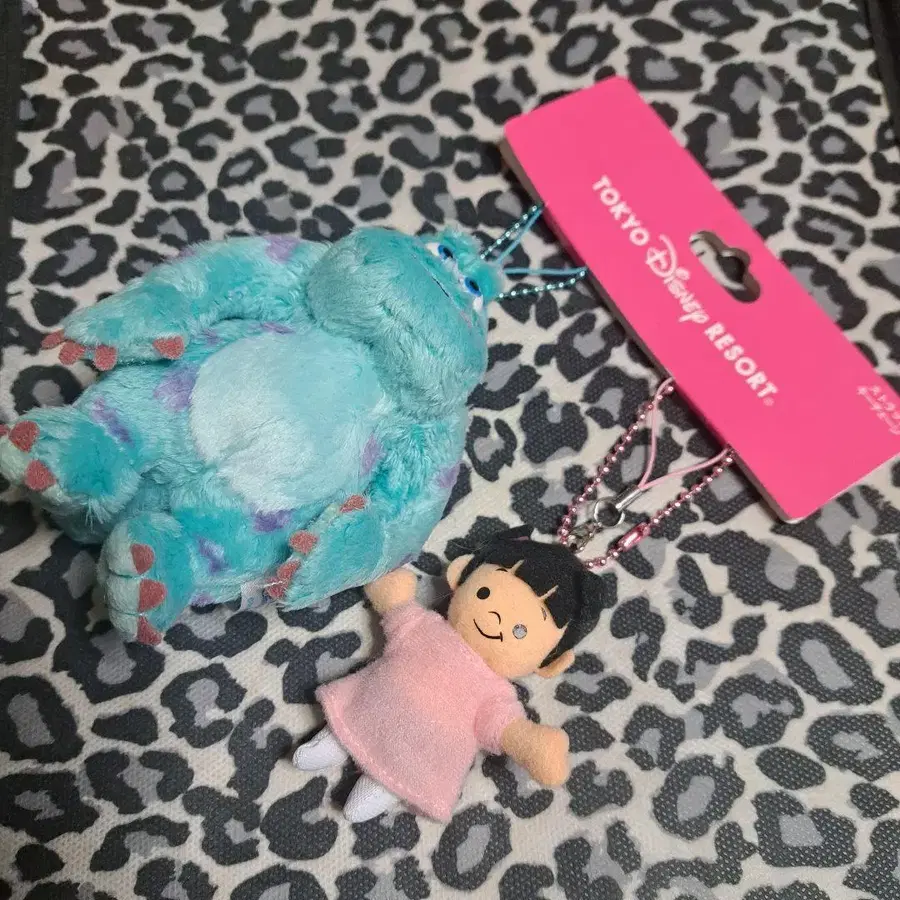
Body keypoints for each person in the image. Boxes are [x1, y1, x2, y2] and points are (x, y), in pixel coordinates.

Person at [292, 527, 605, 822]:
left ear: (551, 663)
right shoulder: (429, 629)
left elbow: (503, 726)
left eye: (520, 630)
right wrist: (394, 596)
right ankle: (335, 744)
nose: (496, 618)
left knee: (393, 780)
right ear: (460, 575)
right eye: (484, 593)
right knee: (343, 731)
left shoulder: (496, 695)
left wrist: (532, 744)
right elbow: (401, 615)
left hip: (418, 758)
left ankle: (380, 784)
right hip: (368, 708)